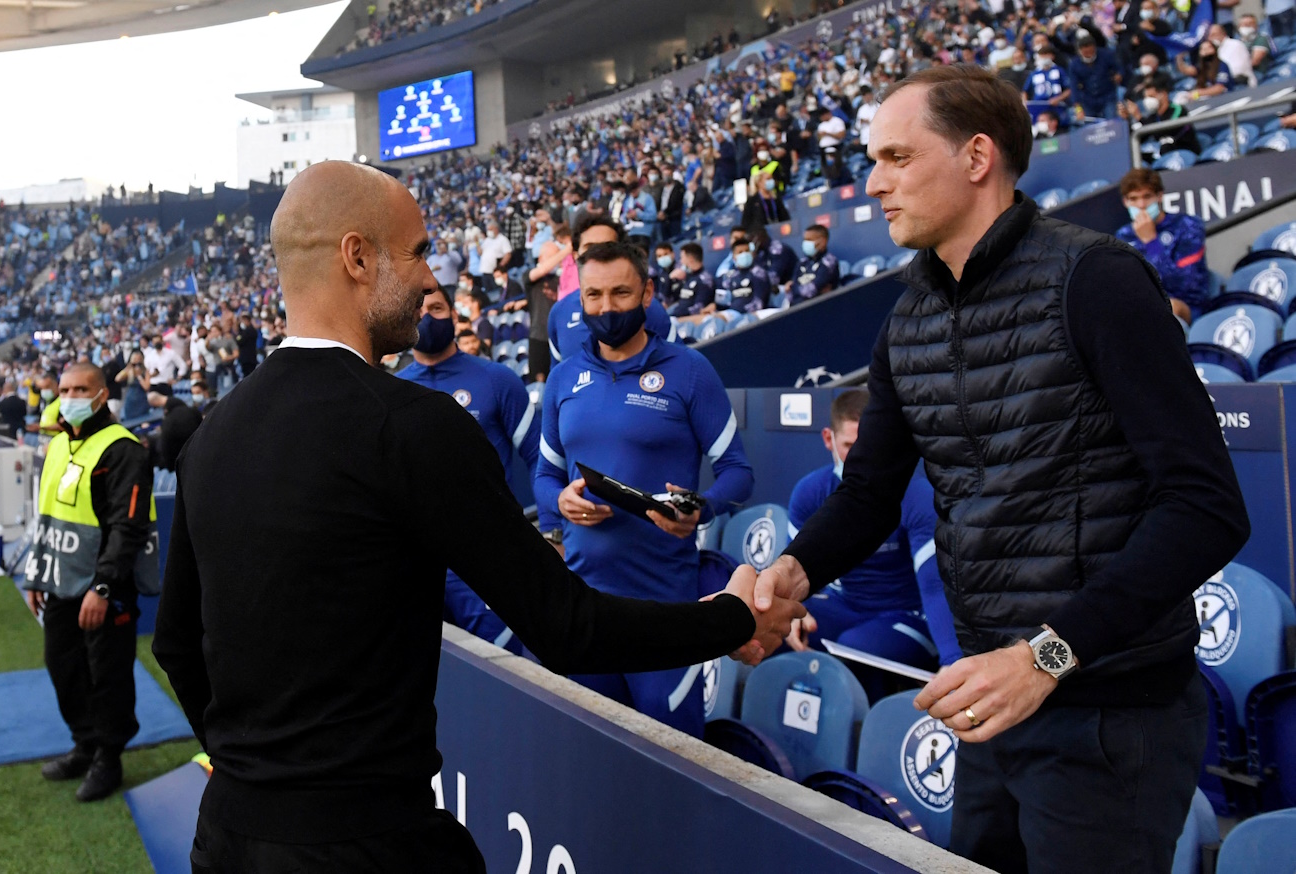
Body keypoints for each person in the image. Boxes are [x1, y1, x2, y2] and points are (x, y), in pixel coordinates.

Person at [152, 162, 800, 871]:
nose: (432, 280)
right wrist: (733, 618)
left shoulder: (213, 436)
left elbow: (178, 642)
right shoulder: (409, 425)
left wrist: (254, 774)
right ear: (358, 258)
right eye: (420, 250)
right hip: (371, 845)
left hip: (227, 836)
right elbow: (567, 627)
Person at [742, 65, 1249, 874]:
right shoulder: (907, 315)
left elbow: (1207, 508)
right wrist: (786, 575)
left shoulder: (1098, 279)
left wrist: (1043, 657)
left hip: (1108, 715)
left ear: (977, 156)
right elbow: (869, 495)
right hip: (988, 702)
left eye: (897, 158)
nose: (873, 184)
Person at [535, 240, 755, 738]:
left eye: (620, 293)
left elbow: (738, 472)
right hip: (586, 606)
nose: (606, 308)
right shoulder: (565, 378)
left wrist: (702, 508)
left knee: (673, 763)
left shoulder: (690, 372)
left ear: (648, 292)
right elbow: (545, 478)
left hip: (667, 610)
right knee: (595, 761)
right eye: (593, 296)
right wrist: (559, 502)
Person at [23, 363, 157, 803]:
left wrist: (103, 587)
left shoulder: (124, 450)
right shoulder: (58, 444)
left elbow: (128, 526)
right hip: (59, 580)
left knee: (108, 675)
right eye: (65, 389)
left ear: (102, 395)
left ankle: (109, 757)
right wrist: (36, 573)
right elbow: (47, 515)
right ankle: (85, 743)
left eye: (82, 388)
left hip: (103, 588)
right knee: (63, 666)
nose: (71, 396)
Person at [785, 389, 961, 701]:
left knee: (856, 648)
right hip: (848, 607)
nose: (858, 458)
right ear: (829, 440)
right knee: (775, 628)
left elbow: (935, 586)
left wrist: (952, 660)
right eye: (848, 446)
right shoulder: (810, 491)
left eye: (866, 446)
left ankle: (868, 738)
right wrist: (791, 611)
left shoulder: (917, 496)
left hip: (908, 615)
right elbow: (792, 571)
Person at [397, 284, 539, 651]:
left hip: (488, 558)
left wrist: (552, 535)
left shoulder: (496, 379)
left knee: (511, 670)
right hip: (417, 565)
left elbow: (540, 458)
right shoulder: (391, 389)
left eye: (438, 309)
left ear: (455, 317)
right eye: (420, 308)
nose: (428, 316)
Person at [546, 215, 674, 364]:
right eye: (590, 248)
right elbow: (559, 379)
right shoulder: (559, 313)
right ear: (575, 256)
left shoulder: (649, 308)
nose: (599, 255)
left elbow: (678, 367)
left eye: (608, 247)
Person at [1115, 168, 1208, 320]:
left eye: (1147, 196)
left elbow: (1185, 285)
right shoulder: (1123, 236)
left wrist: (1151, 242)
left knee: (1168, 307)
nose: (1141, 205)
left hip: (1187, 307)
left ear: (1159, 196)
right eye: (1134, 199)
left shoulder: (1187, 226)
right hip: (1142, 307)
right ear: (1125, 202)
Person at [1120, 79, 1202, 155]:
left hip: (1186, 152)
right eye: (1145, 97)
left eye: (1151, 96)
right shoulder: (1153, 117)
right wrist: (1127, 120)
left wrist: (1139, 117)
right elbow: (1139, 138)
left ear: (1163, 94)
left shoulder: (1178, 110)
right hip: (1167, 154)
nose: (1147, 100)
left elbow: (1165, 130)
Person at [1068, 34, 1122, 120]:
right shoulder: (1074, 64)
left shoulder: (1106, 55)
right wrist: (1078, 108)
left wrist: (1119, 75)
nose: (1088, 55)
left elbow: (1119, 68)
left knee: (1111, 121)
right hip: (1088, 99)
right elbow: (1074, 86)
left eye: (1090, 51)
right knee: (1089, 126)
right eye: (1085, 53)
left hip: (1107, 96)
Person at [714, 236, 772, 313]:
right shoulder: (728, 277)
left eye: (747, 251)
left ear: (752, 253)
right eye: (740, 252)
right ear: (733, 257)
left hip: (751, 315)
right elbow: (716, 296)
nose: (744, 254)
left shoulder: (759, 273)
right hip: (731, 314)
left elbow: (759, 302)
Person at [787, 224, 840, 305]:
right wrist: (793, 288)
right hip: (797, 308)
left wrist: (792, 288)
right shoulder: (802, 262)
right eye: (804, 240)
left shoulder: (829, 262)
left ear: (823, 242)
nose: (805, 243)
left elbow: (811, 291)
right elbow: (790, 294)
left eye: (809, 240)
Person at [668, 242, 716, 317]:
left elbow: (698, 308)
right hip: (677, 314)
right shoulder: (687, 276)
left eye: (682, 258)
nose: (680, 261)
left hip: (688, 319)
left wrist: (674, 315)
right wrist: (670, 279)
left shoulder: (705, 280)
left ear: (690, 259)